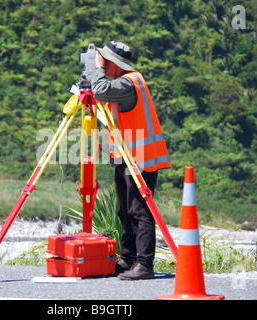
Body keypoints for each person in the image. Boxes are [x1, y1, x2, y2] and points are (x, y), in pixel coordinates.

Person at [91, 41, 170, 280]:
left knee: (139, 210)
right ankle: (128, 258)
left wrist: (96, 69)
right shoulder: (121, 81)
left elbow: (99, 90)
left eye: (106, 62)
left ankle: (144, 263)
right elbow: (99, 97)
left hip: (141, 158)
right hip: (126, 155)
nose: (102, 65)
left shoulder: (128, 82)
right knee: (123, 210)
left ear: (115, 65)